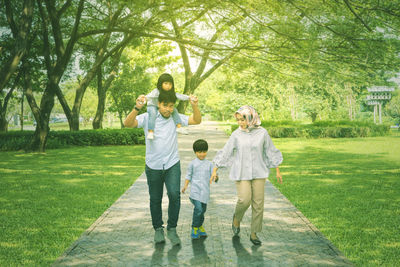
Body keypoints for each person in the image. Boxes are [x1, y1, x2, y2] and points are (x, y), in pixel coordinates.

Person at [124, 90, 202, 246]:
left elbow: (196, 120)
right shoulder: (148, 117)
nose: (168, 109)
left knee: (174, 195)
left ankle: (172, 228)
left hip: (172, 164)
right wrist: (137, 107)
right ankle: (158, 229)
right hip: (153, 165)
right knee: (155, 199)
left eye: (171, 105)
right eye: (165, 105)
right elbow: (128, 123)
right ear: (158, 104)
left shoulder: (175, 118)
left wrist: (194, 106)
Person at [210, 105, 283, 246]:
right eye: (238, 120)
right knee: (244, 200)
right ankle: (237, 219)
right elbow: (226, 151)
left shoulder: (262, 133)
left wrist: (277, 169)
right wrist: (215, 168)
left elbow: (270, 151)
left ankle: (254, 233)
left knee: (258, 203)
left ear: (251, 118)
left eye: (242, 120)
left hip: (259, 172)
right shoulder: (236, 134)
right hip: (241, 172)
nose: (240, 123)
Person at [181, 139, 214, 239]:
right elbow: (188, 175)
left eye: (204, 152)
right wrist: (185, 186)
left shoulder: (209, 164)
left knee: (202, 211)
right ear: (195, 152)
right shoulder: (192, 164)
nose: (202, 154)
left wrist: (215, 177)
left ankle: (200, 226)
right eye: (199, 152)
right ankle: (194, 227)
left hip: (205, 192)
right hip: (195, 192)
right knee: (198, 209)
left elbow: (214, 175)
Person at [145, 73, 191, 139]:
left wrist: (189, 98)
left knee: (174, 110)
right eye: (166, 83)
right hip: (152, 105)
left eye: (170, 84)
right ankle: (151, 132)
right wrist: (144, 99)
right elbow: (149, 96)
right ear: (161, 84)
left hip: (162, 106)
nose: (168, 86)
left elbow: (179, 96)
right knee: (153, 113)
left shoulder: (170, 92)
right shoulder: (156, 91)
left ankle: (179, 127)